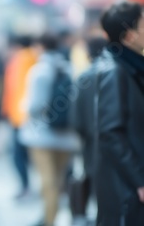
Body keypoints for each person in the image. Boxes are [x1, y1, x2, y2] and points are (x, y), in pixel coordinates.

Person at [19, 33, 80, 226]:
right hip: (67, 137)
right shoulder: (70, 68)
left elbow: (35, 105)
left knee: (48, 183)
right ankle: (51, 217)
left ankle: (49, 220)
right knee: (60, 182)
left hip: (42, 136)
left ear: (41, 47)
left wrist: (24, 107)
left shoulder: (39, 71)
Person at [94, 0, 144, 225]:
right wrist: (139, 180)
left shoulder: (130, 66)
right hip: (127, 187)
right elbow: (110, 132)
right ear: (130, 35)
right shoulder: (115, 71)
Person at [70, 35, 107, 222]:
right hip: (118, 141)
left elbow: (77, 118)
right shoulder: (121, 72)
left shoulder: (84, 77)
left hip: (91, 141)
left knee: (94, 181)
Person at [1, 35, 37, 200]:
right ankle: (30, 187)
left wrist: (7, 110)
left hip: (20, 117)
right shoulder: (35, 58)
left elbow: (15, 89)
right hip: (28, 116)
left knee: (18, 155)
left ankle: (26, 187)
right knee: (27, 155)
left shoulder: (19, 60)